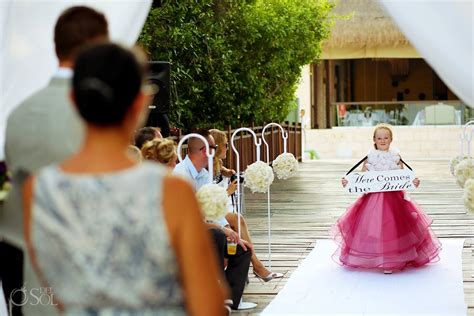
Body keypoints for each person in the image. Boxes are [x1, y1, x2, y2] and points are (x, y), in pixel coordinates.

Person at [22, 43, 227, 315]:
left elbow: (52, 294)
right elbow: (208, 304)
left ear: (72, 101)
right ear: (141, 102)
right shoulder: (171, 190)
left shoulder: (38, 189)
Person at [2, 6, 109, 315]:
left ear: (56, 45)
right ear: (94, 43)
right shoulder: (94, 111)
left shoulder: (20, 112)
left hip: (15, 248)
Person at [336, 124, 441, 273]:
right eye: (379, 138)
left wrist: (413, 182)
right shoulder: (369, 158)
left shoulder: (396, 158)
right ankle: (378, 257)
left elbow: (404, 178)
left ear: (391, 139)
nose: (382, 140)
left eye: (386, 137)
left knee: (392, 226)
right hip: (373, 199)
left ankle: (391, 260)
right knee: (374, 226)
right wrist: (349, 182)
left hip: (394, 199)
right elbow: (361, 178)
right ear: (374, 139)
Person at [173, 130, 256, 310]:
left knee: (243, 248)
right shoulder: (180, 174)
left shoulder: (203, 174)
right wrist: (222, 230)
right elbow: (187, 216)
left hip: (205, 229)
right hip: (186, 233)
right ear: (205, 150)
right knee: (216, 236)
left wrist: (228, 228)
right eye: (214, 147)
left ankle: (229, 300)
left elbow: (213, 207)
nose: (217, 151)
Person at [210, 129, 283, 282]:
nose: (228, 148)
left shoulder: (217, 163)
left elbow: (219, 170)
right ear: (217, 147)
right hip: (211, 211)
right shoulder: (206, 167)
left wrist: (227, 172)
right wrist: (228, 191)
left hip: (219, 209)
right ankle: (256, 266)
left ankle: (253, 266)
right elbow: (208, 197)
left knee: (238, 222)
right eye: (225, 145)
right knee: (238, 220)